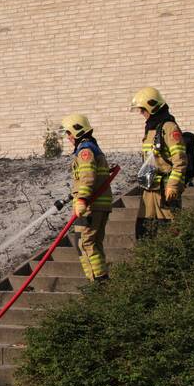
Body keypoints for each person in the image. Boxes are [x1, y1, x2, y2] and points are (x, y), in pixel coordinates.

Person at [60, 113, 113, 283]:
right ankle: (102, 280)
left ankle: (98, 282)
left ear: (77, 131)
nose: (68, 137)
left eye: (69, 133)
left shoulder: (85, 151)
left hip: (90, 206)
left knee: (84, 243)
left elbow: (87, 176)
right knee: (93, 243)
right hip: (98, 204)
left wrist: (82, 199)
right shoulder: (92, 147)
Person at [129, 86, 188, 239]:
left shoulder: (169, 128)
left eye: (143, 110)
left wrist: (173, 185)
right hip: (150, 189)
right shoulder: (151, 129)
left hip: (165, 190)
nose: (141, 113)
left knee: (170, 232)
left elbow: (180, 161)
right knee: (144, 231)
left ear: (152, 107)